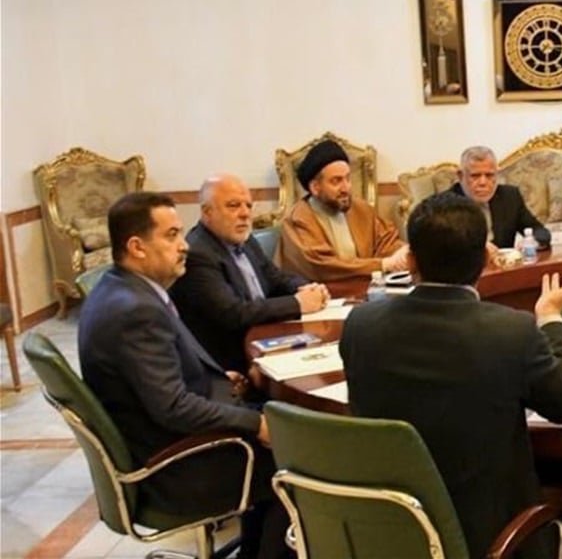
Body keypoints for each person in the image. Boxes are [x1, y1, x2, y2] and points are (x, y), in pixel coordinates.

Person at [339, 193, 562, 559]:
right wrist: (550, 317)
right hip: (491, 539)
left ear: (410, 260)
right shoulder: (511, 332)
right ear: (486, 260)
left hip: (384, 533)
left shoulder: (361, 325)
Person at [78, 192, 289, 558]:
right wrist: (255, 424)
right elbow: (174, 408)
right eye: (172, 235)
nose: (184, 245)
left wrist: (222, 380)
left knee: (280, 421)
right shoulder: (135, 312)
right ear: (137, 247)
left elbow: (159, 381)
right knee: (299, 461)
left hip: (164, 439)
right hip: (172, 467)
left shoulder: (122, 289)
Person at [170, 174, 329, 373]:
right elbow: (234, 313)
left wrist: (306, 288)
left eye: (248, 206)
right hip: (232, 364)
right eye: (233, 206)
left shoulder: (245, 240)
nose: (245, 214)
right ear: (207, 212)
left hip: (267, 340)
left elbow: (275, 277)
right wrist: (297, 304)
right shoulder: (198, 254)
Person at [280, 139, 408, 282]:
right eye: (336, 181)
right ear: (315, 187)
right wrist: (382, 265)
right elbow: (323, 268)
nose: (346, 188)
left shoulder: (360, 209)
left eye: (348, 178)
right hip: (322, 293)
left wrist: (402, 252)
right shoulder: (298, 220)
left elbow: (386, 242)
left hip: (365, 289)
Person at [441, 146, 550, 251]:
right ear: (460, 176)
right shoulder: (444, 205)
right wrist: (480, 247)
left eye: (489, 175)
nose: (483, 182)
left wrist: (532, 241)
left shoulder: (510, 196)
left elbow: (540, 231)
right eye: (475, 176)